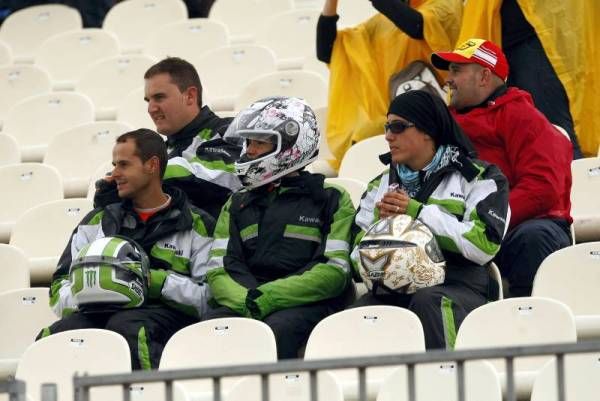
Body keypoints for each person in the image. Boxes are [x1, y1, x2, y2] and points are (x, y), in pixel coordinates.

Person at [40, 129, 215, 370]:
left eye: (124, 165)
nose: (114, 174)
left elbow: (210, 298)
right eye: (114, 165)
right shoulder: (96, 221)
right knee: (58, 334)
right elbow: (58, 290)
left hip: (168, 319)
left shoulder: (196, 224)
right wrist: (95, 288)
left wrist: (155, 283)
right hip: (97, 313)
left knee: (128, 327)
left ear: (152, 165)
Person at [351, 90, 510, 349]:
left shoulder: (479, 177)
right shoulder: (378, 186)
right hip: (391, 286)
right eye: (387, 127)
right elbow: (355, 252)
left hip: (459, 284)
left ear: (428, 130)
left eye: (398, 127)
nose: (388, 136)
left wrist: (418, 213)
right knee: (361, 314)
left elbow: (483, 244)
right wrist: (381, 230)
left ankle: (450, 381)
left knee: (429, 301)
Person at [205, 97, 356, 359]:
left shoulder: (332, 197)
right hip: (247, 301)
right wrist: (249, 300)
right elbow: (220, 270)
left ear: (291, 146)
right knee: (206, 332)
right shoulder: (237, 202)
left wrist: (269, 297)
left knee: (276, 331)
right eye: (248, 142)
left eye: (259, 142)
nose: (249, 151)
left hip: (306, 304)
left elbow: (334, 271)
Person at [431, 38, 573, 297]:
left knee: (533, 239)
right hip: (461, 225)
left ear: (484, 76)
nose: (447, 80)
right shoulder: (442, 122)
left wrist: (486, 222)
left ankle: (530, 324)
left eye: (456, 71)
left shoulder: (523, 117)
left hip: (522, 224)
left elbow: (541, 189)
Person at [315, 0, 463, 170]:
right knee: (363, 135)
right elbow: (327, 51)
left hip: (437, 119)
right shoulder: (381, 23)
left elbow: (417, 25)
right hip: (392, 120)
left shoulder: (447, 5)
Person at [95, 57, 241, 219]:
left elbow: (231, 178)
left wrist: (140, 174)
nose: (151, 109)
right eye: (148, 100)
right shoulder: (159, 151)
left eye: (159, 97)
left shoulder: (229, 131)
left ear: (190, 96)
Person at [454, 0, 588, 158]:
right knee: (519, 135)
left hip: (532, 45)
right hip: (499, 53)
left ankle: (578, 176)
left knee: (555, 130)